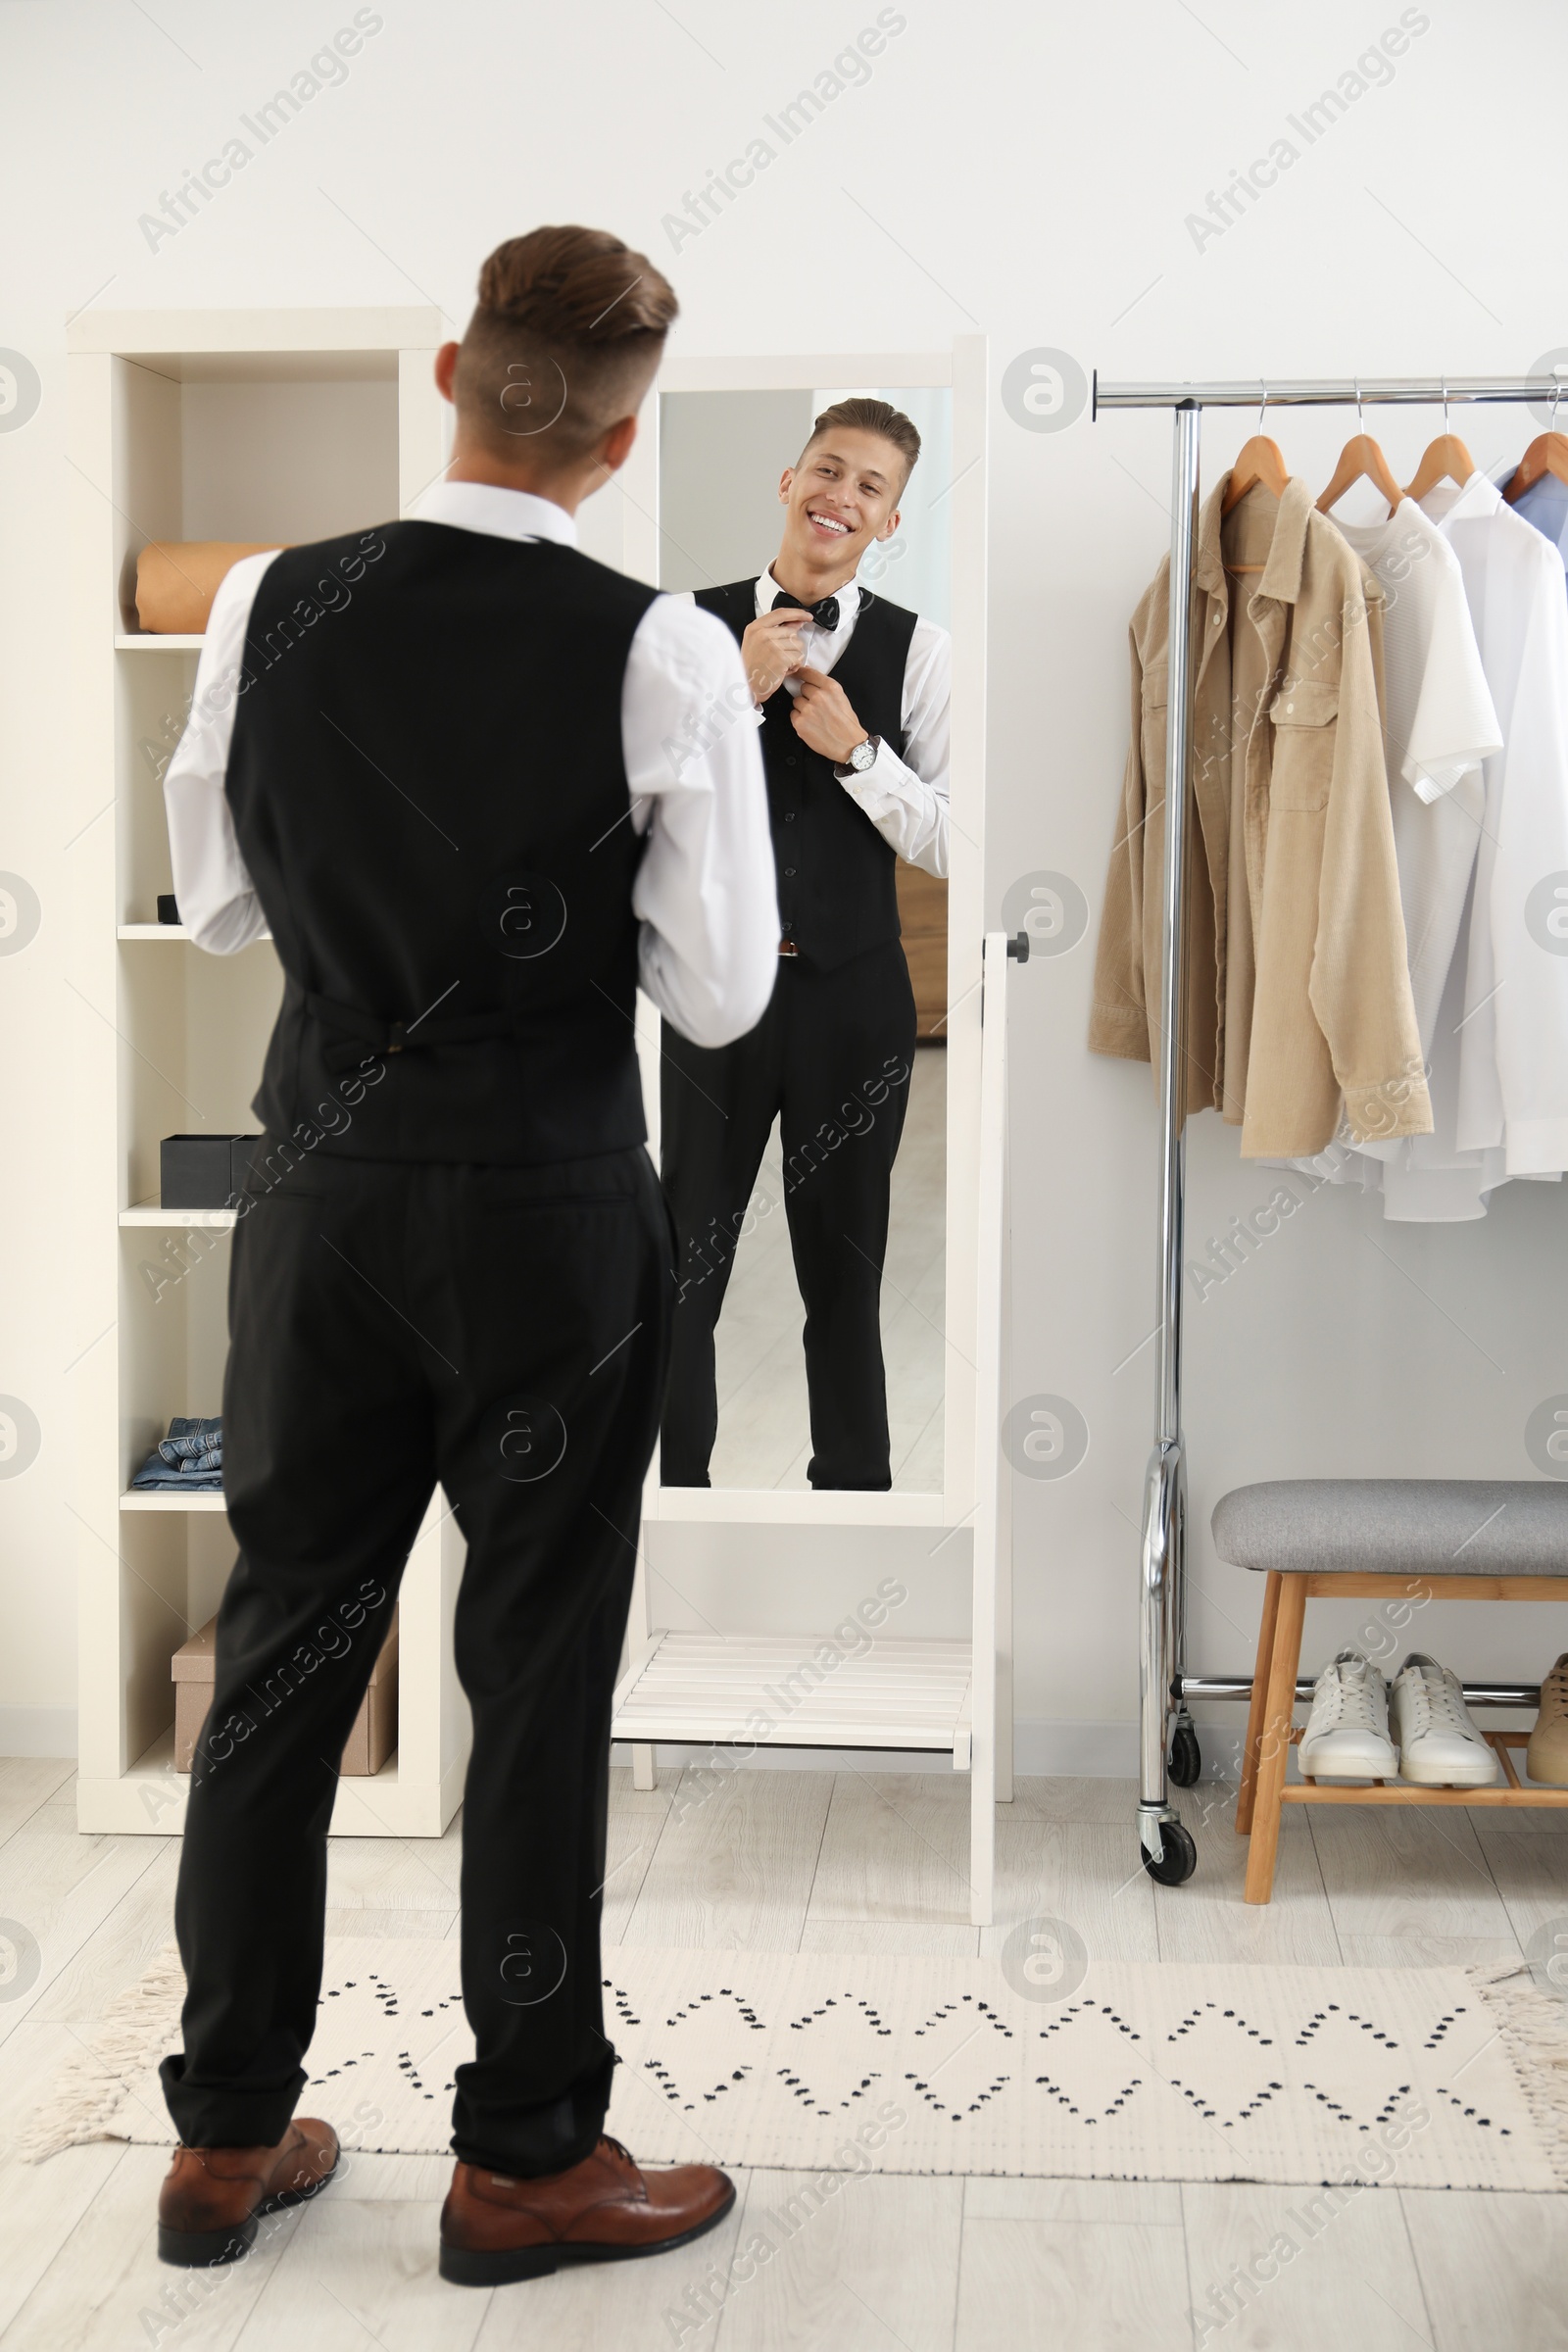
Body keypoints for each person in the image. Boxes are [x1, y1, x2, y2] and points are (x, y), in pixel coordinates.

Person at [150, 225, 778, 2288]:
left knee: (279, 1662)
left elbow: (219, 905)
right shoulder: (662, 648)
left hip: (320, 1195)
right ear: (618, 440)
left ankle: (226, 2138)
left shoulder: (264, 600)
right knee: (531, 1682)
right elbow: (714, 995)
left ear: (448, 368)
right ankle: (522, 2161)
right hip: (542, 1216)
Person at [660, 398, 951, 1489]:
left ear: (889, 523)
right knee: (681, 1263)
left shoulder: (925, 653)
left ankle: (858, 1505)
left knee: (846, 1272)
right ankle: (668, 1502)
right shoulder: (678, 631)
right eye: (829, 470)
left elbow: (957, 840)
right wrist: (730, 701)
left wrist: (862, 754)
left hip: (853, 1000)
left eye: (871, 487)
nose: (843, 495)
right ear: (788, 482)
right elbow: (625, 813)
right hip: (711, 996)